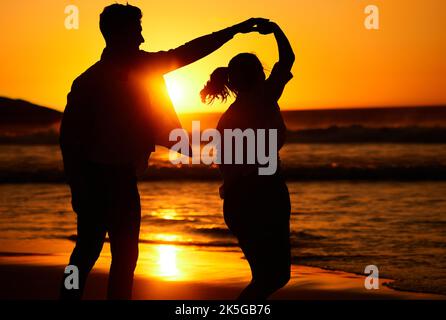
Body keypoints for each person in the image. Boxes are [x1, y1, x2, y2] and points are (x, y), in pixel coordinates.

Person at [59, 3, 268, 300]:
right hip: (97, 179)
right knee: (88, 254)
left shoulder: (133, 69)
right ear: (118, 35)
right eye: (137, 32)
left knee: (119, 257)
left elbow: (186, 53)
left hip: (121, 178)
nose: (142, 39)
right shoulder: (88, 82)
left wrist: (233, 31)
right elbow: (70, 141)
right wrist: (78, 188)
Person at [200, 21, 295, 299]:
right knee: (274, 277)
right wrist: (276, 29)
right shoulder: (263, 97)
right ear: (258, 74)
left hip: (239, 199)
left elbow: (226, 165)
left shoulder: (231, 114)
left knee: (267, 277)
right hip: (262, 194)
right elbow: (287, 59)